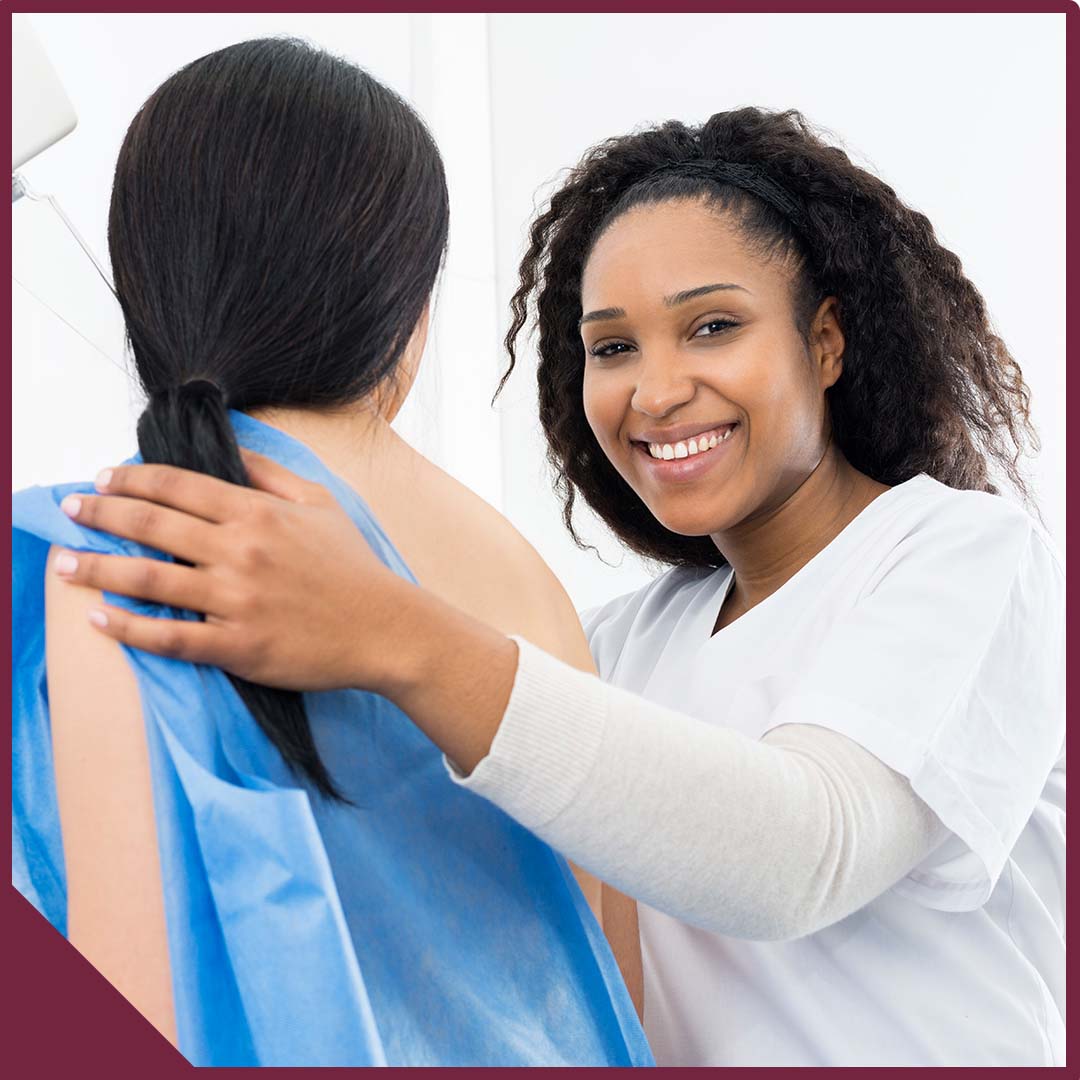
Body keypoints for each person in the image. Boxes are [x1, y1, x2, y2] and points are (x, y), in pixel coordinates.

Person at [53, 107, 1064, 1066]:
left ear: (827, 340)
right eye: (613, 347)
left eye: (712, 327)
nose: (657, 390)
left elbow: (808, 850)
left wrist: (392, 630)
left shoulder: (961, 554)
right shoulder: (622, 647)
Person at [12, 38, 653, 1067]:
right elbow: (608, 977)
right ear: (407, 313)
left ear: (149, 287)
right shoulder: (521, 573)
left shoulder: (114, 559)